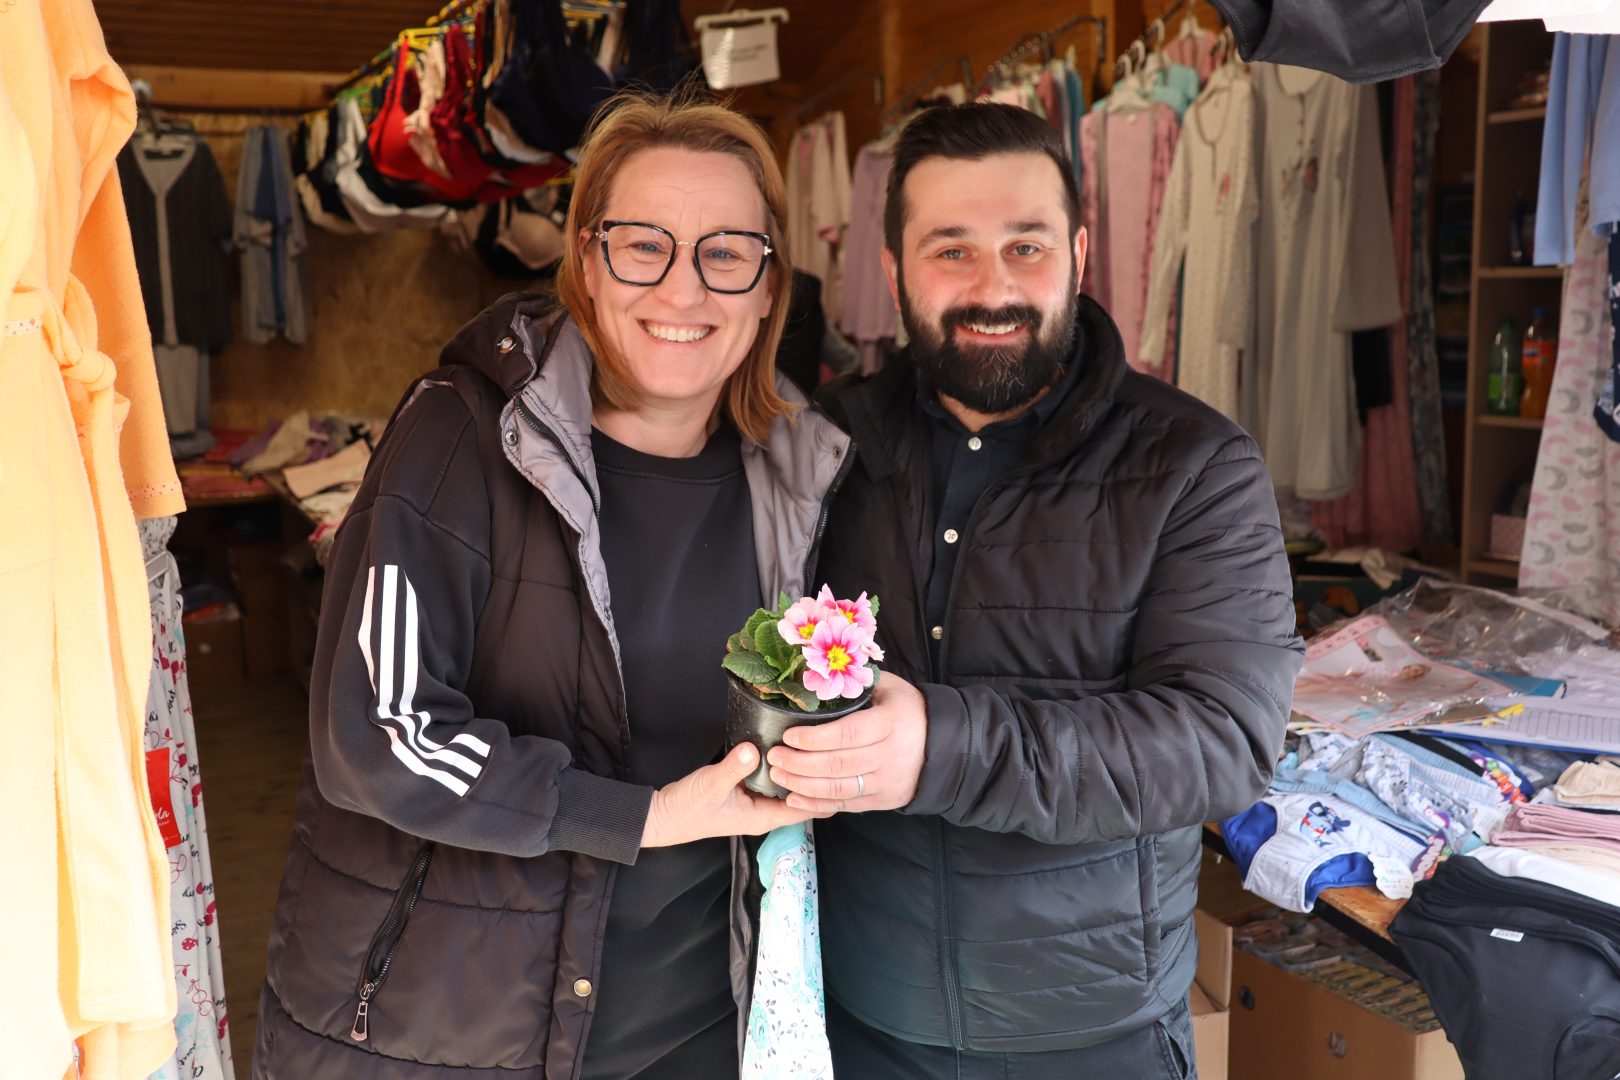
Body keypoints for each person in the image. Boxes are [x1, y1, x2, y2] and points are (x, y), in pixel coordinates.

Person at [252, 92, 849, 1079]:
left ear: (768, 285)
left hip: (701, 1028)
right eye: (643, 245)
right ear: (585, 259)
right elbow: (376, 735)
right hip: (452, 1035)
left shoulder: (802, 474)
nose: (684, 288)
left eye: (725, 252)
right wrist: (647, 817)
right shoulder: (460, 434)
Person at [767, 103, 1305, 1078]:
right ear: (892, 271)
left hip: (1092, 1033)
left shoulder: (1193, 465)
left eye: (1027, 246)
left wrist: (942, 747)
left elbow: (1223, 741)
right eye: (951, 252)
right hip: (860, 1016)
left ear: (1080, 254)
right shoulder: (825, 447)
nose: (994, 288)